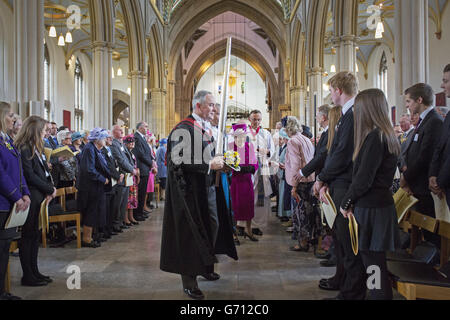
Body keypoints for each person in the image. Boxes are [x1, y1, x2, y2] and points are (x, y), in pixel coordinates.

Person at [160, 90, 237, 300]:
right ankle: (189, 281)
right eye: (211, 105)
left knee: (213, 225)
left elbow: (204, 156)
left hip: (207, 190)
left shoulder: (203, 129)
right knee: (191, 234)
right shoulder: (183, 129)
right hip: (190, 194)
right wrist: (208, 164)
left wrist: (220, 163)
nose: (214, 110)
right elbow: (177, 160)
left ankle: (205, 266)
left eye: (214, 106)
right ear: (198, 106)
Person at [340, 89, 401, 300]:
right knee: (373, 263)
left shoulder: (376, 137)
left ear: (368, 109)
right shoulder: (385, 134)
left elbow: (364, 178)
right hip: (378, 206)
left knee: (373, 263)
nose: (356, 112)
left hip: (372, 209)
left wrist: (346, 201)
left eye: (359, 107)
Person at [313, 72, 366, 300]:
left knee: (348, 243)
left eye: (331, 89)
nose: (330, 94)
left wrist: (321, 178)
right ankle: (344, 284)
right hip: (339, 183)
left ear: (339, 90)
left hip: (346, 184)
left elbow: (341, 154)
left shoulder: (353, 114)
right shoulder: (347, 115)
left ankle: (351, 293)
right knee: (342, 242)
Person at [15, 116, 56, 287]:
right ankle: (28, 276)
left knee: (35, 236)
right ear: (34, 130)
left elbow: (43, 172)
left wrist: (49, 187)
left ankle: (35, 271)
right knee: (28, 236)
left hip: (40, 196)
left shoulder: (35, 147)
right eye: (44, 130)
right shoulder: (25, 148)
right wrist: (49, 189)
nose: (46, 133)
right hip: (32, 196)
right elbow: (29, 176)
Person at [401, 83, 443, 246]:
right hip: (417, 184)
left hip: (424, 185)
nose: (407, 105)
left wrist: (406, 176)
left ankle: (434, 264)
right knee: (424, 230)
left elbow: (425, 156)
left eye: (409, 101)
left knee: (431, 234)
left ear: (419, 100)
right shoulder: (425, 121)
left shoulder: (434, 121)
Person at [0, 102, 31, 300]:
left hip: (11, 202)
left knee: (4, 250)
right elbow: (1, 174)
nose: (14, 119)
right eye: (10, 115)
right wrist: (16, 195)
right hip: (2, 203)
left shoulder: (8, 141)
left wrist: (25, 192)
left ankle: (2, 291)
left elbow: (19, 170)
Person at [237, 110, 274, 237]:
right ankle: (242, 224)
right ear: (249, 119)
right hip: (248, 169)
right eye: (254, 119)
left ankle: (256, 226)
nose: (256, 122)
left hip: (262, 168)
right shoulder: (244, 133)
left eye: (259, 119)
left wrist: (266, 152)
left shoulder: (266, 133)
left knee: (260, 198)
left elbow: (272, 151)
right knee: (246, 196)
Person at [284, 117, 315, 252]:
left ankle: (302, 243)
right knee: (308, 211)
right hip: (310, 179)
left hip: (300, 181)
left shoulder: (292, 141)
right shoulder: (306, 139)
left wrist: (294, 185)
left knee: (300, 212)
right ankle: (309, 238)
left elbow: (296, 163)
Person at [77, 128, 111, 248]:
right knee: (91, 211)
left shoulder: (96, 149)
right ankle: (86, 239)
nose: (106, 140)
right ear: (98, 139)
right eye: (104, 138)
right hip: (89, 187)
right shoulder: (89, 148)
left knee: (95, 211)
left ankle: (91, 236)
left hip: (95, 186)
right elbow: (89, 169)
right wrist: (103, 179)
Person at [228, 123, 259, 241]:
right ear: (234, 137)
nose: (239, 138)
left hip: (247, 181)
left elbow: (255, 163)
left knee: (248, 206)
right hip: (236, 181)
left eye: (242, 136)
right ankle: (234, 232)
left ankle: (248, 230)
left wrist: (251, 168)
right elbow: (229, 163)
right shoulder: (230, 146)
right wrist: (235, 168)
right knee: (235, 206)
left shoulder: (249, 146)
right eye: (237, 136)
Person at [429, 64, 450, 209]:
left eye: (446, 81)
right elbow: (440, 147)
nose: (442, 85)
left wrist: (440, 181)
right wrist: (433, 175)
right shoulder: (448, 116)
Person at [101, 132, 124, 239]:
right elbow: (108, 166)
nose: (111, 139)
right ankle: (105, 230)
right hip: (108, 182)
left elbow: (114, 164)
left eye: (110, 137)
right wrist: (117, 175)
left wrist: (118, 174)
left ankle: (109, 229)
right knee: (107, 208)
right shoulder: (103, 150)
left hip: (113, 180)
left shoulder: (108, 149)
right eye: (108, 137)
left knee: (112, 207)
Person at [133, 122, 153, 221]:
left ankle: (140, 212)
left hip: (145, 168)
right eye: (145, 126)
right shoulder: (137, 137)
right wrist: (151, 163)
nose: (147, 128)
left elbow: (147, 153)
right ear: (140, 128)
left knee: (142, 192)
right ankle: (137, 214)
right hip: (142, 168)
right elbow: (140, 154)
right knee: (140, 192)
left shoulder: (142, 137)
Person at [123, 135, 140, 226]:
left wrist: (138, 174)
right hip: (128, 177)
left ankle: (131, 216)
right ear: (125, 144)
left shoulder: (132, 153)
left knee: (133, 198)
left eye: (133, 142)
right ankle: (125, 218)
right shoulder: (125, 152)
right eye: (130, 142)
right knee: (128, 199)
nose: (132, 143)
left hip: (133, 177)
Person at [277, 128, 290, 221]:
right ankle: (283, 214)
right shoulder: (286, 147)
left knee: (285, 196)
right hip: (283, 175)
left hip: (287, 174)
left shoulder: (289, 147)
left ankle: (287, 215)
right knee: (282, 195)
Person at [144, 132, 158, 213]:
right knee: (147, 189)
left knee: (149, 189)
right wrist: (153, 166)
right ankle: (145, 204)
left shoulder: (151, 147)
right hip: (149, 169)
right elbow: (149, 158)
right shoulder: (148, 146)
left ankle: (148, 203)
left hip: (152, 170)